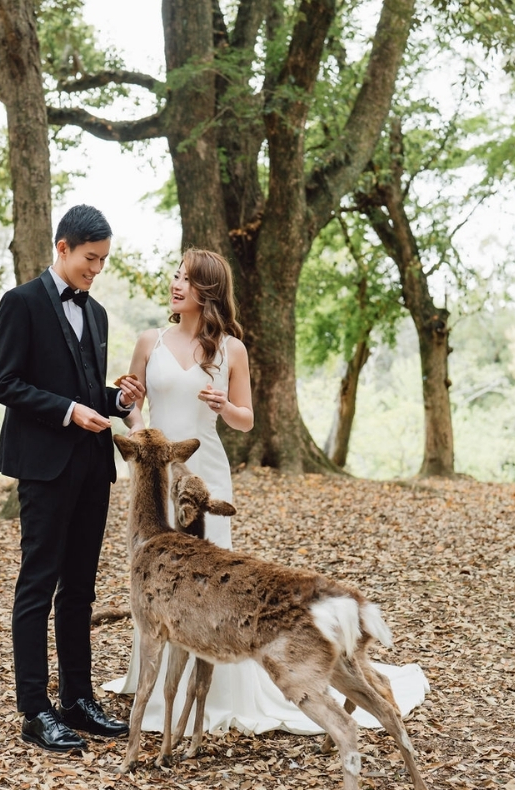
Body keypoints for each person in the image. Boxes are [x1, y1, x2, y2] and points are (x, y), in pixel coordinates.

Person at [104, 248, 429, 736]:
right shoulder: (149, 341)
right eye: (175, 276)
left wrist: (222, 404)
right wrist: (128, 403)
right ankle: (154, 691)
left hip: (205, 468)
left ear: (207, 292)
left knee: (213, 578)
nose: (176, 285)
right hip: (157, 475)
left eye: (187, 279)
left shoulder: (231, 349)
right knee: (159, 577)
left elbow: (246, 418)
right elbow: (134, 412)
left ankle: (219, 695)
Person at [0, 204, 144, 753]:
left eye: (102, 262)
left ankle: (78, 699)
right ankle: (35, 709)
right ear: (62, 247)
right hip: (43, 466)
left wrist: (116, 399)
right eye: (89, 259)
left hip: (91, 465)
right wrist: (68, 411)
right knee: (38, 585)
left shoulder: (96, 314)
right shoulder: (21, 303)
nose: (96, 270)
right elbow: (4, 383)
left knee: (80, 588)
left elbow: (87, 389)